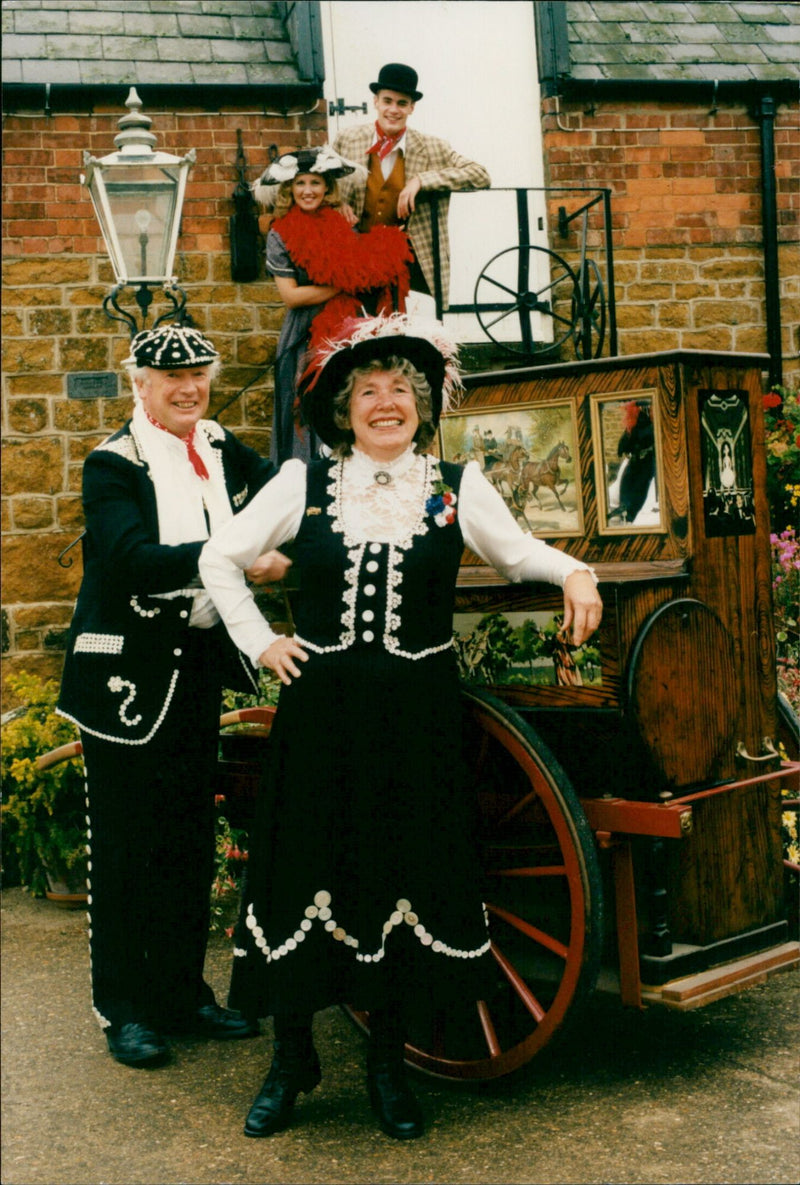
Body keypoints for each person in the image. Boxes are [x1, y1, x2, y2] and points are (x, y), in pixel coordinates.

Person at [198, 312, 602, 1140]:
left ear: (423, 403)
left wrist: (576, 569)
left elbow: (518, 551)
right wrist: (261, 640)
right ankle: (291, 1058)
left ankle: (387, 1064)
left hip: (415, 719)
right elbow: (219, 557)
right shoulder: (300, 482)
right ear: (345, 409)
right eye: (369, 390)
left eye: (402, 389)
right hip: (321, 716)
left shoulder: (459, 485)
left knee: (396, 875)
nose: (387, 402)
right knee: (304, 870)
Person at [57, 323, 290, 1068]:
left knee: (189, 839)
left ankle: (183, 994)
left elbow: (287, 483)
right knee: (127, 847)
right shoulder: (111, 464)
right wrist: (234, 553)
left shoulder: (220, 446)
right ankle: (123, 1008)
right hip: (123, 677)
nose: (188, 388)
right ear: (141, 383)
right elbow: (129, 561)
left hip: (193, 669)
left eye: (198, 375)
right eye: (171, 377)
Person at [255, 145, 412, 465]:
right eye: (300, 184)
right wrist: (343, 284)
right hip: (304, 334)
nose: (307, 190)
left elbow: (361, 268)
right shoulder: (280, 234)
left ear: (327, 187)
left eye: (315, 182)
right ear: (289, 189)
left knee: (346, 399)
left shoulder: (344, 224)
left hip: (346, 328)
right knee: (306, 406)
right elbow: (292, 296)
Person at [333, 63, 491, 303]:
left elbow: (480, 174)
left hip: (410, 261)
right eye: (388, 101)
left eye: (402, 103)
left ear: (412, 108)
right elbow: (319, 182)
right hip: (356, 257)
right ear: (376, 101)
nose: (393, 110)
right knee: (359, 331)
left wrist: (423, 179)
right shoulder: (347, 140)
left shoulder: (432, 147)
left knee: (411, 334)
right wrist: (336, 203)